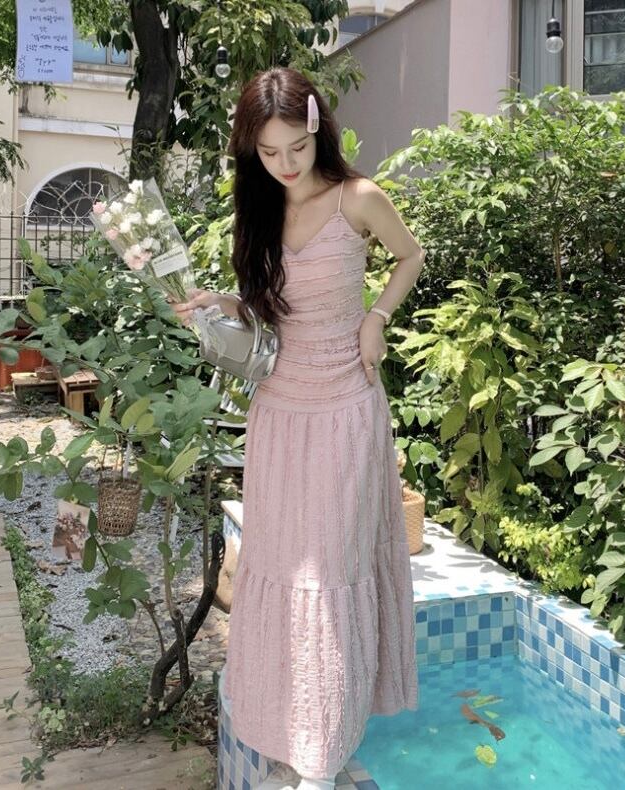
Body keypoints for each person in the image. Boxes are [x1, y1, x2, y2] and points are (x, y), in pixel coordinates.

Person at [172, 67, 425, 790]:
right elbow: (267, 310)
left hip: (345, 409)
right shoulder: (260, 211)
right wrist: (222, 302)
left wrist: (377, 317)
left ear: (318, 130)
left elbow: (411, 256)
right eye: (268, 152)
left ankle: (324, 753)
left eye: (295, 148)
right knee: (284, 568)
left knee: (331, 573)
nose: (284, 164)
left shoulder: (358, 197)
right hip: (279, 413)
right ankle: (292, 734)